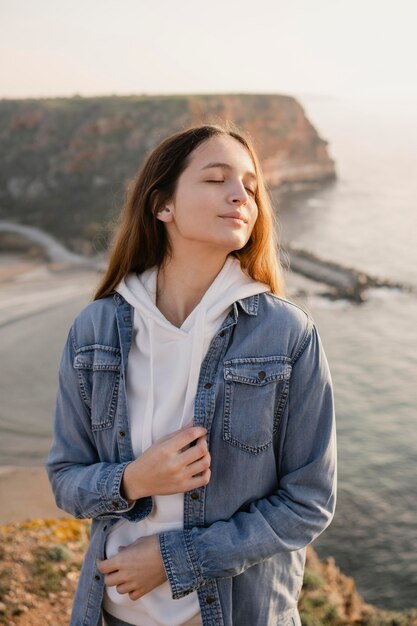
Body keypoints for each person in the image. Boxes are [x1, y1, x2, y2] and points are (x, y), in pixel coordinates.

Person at [46, 122, 337, 626]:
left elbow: (309, 502)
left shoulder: (288, 334)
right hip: (112, 612)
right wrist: (135, 479)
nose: (240, 196)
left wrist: (174, 559)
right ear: (163, 206)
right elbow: (66, 478)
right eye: (216, 179)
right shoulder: (94, 329)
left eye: (249, 185)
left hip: (236, 613)